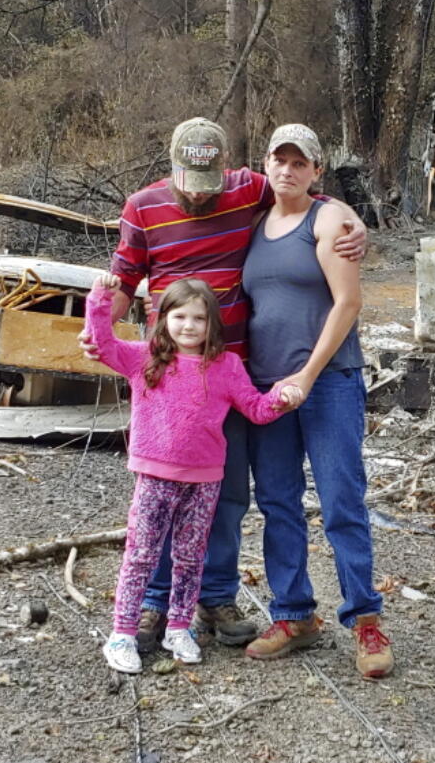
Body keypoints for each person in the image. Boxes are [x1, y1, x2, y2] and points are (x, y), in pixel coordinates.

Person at [78, 117, 365, 654]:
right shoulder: (142, 207)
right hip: (166, 369)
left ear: (229, 170)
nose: (199, 194)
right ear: (172, 166)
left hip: (230, 367)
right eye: (190, 182)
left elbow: (305, 194)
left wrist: (352, 226)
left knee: (224, 491)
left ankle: (213, 594)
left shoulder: (250, 188)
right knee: (160, 487)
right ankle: (153, 602)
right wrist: (100, 328)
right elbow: (123, 275)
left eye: (210, 184)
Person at [86, 274, 301, 673]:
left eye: (199, 318)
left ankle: (180, 627)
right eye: (180, 316)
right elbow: (100, 344)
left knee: (190, 557)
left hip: (204, 480)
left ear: (211, 324)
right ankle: (122, 632)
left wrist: (281, 399)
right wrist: (101, 298)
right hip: (154, 476)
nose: (189, 326)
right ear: (163, 318)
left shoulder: (227, 367)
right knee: (141, 555)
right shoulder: (143, 358)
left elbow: (255, 408)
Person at [240, 124, 393, 679]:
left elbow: (348, 302)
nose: (286, 170)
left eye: (298, 162)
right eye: (278, 160)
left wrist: (306, 374)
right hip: (267, 387)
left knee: (340, 501)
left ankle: (366, 621)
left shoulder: (328, 219)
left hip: (327, 383)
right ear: (265, 163)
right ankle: (294, 614)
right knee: (278, 501)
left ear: (316, 171)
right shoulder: (253, 223)